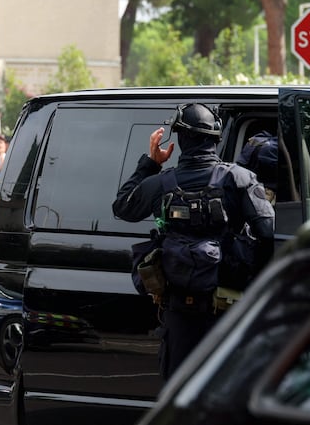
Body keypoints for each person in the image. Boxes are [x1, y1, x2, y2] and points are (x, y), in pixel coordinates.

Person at [112, 103, 274, 380]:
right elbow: (269, 233)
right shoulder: (239, 178)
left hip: (179, 316)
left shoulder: (160, 184)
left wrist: (151, 163)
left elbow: (122, 207)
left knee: (179, 395)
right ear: (216, 139)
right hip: (228, 310)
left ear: (180, 139)